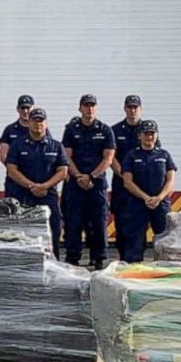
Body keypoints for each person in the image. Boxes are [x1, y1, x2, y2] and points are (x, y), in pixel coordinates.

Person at [5, 107, 68, 259]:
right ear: (29, 123)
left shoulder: (56, 146)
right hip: (25, 196)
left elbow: (63, 171)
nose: (38, 124)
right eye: (34, 121)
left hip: (48, 196)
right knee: (25, 234)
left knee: (53, 232)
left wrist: (44, 186)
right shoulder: (18, 145)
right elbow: (12, 170)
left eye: (41, 121)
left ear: (46, 123)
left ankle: (54, 263)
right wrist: (31, 186)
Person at [62, 94, 115, 270]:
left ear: (96, 108)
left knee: (99, 222)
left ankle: (98, 258)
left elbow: (108, 159)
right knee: (74, 223)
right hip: (75, 185)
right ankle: (73, 258)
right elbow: (66, 157)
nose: (89, 108)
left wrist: (91, 177)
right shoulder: (71, 130)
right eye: (86, 105)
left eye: (92, 105)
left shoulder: (105, 130)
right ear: (80, 108)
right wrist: (79, 177)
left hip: (97, 184)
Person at [121, 120, 176, 263]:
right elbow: (127, 182)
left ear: (156, 136)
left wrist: (159, 198)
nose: (149, 137)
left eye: (152, 134)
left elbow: (170, 181)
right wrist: (146, 198)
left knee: (166, 239)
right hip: (137, 203)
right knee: (135, 240)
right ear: (140, 136)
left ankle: (165, 268)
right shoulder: (131, 155)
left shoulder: (165, 155)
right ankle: (133, 271)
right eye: (146, 134)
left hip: (161, 204)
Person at [110, 95, 156, 259]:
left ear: (140, 109)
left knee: (139, 225)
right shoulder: (114, 130)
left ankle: (138, 257)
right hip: (121, 184)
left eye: (135, 107)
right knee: (122, 223)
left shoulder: (148, 130)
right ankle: (123, 257)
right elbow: (110, 156)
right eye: (129, 107)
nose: (132, 110)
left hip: (141, 186)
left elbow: (156, 155)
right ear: (125, 109)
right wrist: (124, 175)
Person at [0, 94, 35, 200]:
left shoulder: (41, 130)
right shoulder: (10, 130)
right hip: (14, 182)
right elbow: (3, 155)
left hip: (35, 181)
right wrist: (16, 172)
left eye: (28, 108)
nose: (25, 111)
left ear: (33, 108)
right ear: (18, 109)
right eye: (22, 108)